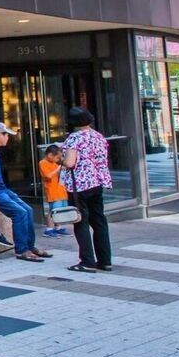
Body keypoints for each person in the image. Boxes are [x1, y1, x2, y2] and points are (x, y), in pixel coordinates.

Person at [0, 121, 47, 262]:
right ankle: (22, 250)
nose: (8, 138)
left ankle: (30, 246)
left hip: (1, 188)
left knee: (28, 210)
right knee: (20, 213)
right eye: (6, 135)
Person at [61, 107, 114, 273]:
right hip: (97, 182)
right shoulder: (98, 136)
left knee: (81, 222)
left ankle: (87, 261)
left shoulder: (74, 138)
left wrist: (59, 160)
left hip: (80, 185)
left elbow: (70, 162)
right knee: (99, 221)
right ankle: (105, 260)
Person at [37, 144, 70, 239]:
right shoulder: (43, 163)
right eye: (57, 157)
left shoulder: (55, 165)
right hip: (53, 192)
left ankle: (58, 227)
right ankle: (49, 229)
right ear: (50, 155)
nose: (58, 160)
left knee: (59, 211)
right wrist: (58, 168)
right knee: (53, 211)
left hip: (60, 191)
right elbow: (48, 176)